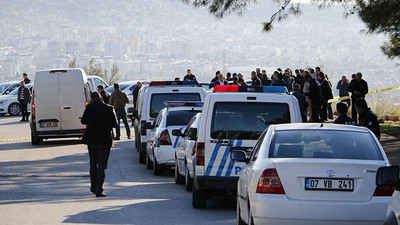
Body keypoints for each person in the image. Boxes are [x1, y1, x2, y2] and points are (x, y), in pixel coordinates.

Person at [81, 92, 118, 197]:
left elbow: (83, 121)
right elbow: (115, 124)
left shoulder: (89, 108)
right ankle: (99, 189)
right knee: (102, 165)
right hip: (105, 141)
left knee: (93, 164)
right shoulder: (109, 108)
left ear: (91, 99)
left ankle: (93, 187)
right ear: (101, 97)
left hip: (91, 141)